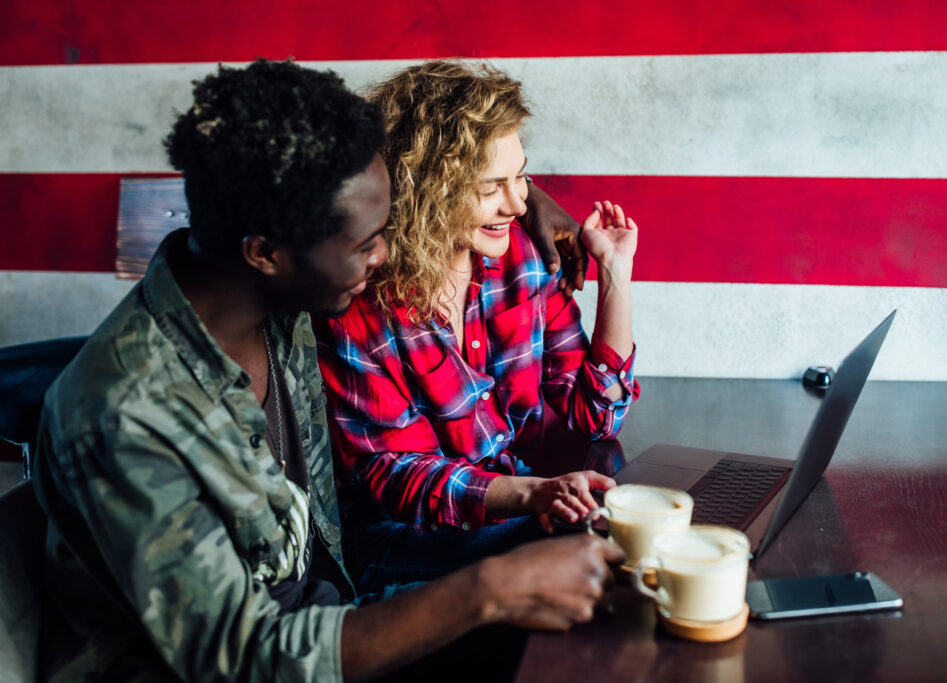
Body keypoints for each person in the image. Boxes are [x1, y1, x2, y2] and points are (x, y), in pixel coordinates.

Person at [32, 59, 624, 682]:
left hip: (333, 610)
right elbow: (249, 661)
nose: (387, 251)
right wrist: (489, 590)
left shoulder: (274, 299)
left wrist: (523, 200)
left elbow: (425, 175)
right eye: (366, 242)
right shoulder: (125, 419)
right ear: (266, 252)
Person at [315, 61, 640, 593]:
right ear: (428, 190)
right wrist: (532, 495)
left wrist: (614, 275)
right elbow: (393, 478)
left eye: (522, 178)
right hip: (401, 536)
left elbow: (595, 417)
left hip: (514, 502)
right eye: (493, 186)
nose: (518, 204)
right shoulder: (359, 302)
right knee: (602, 557)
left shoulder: (524, 258)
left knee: (635, 531)